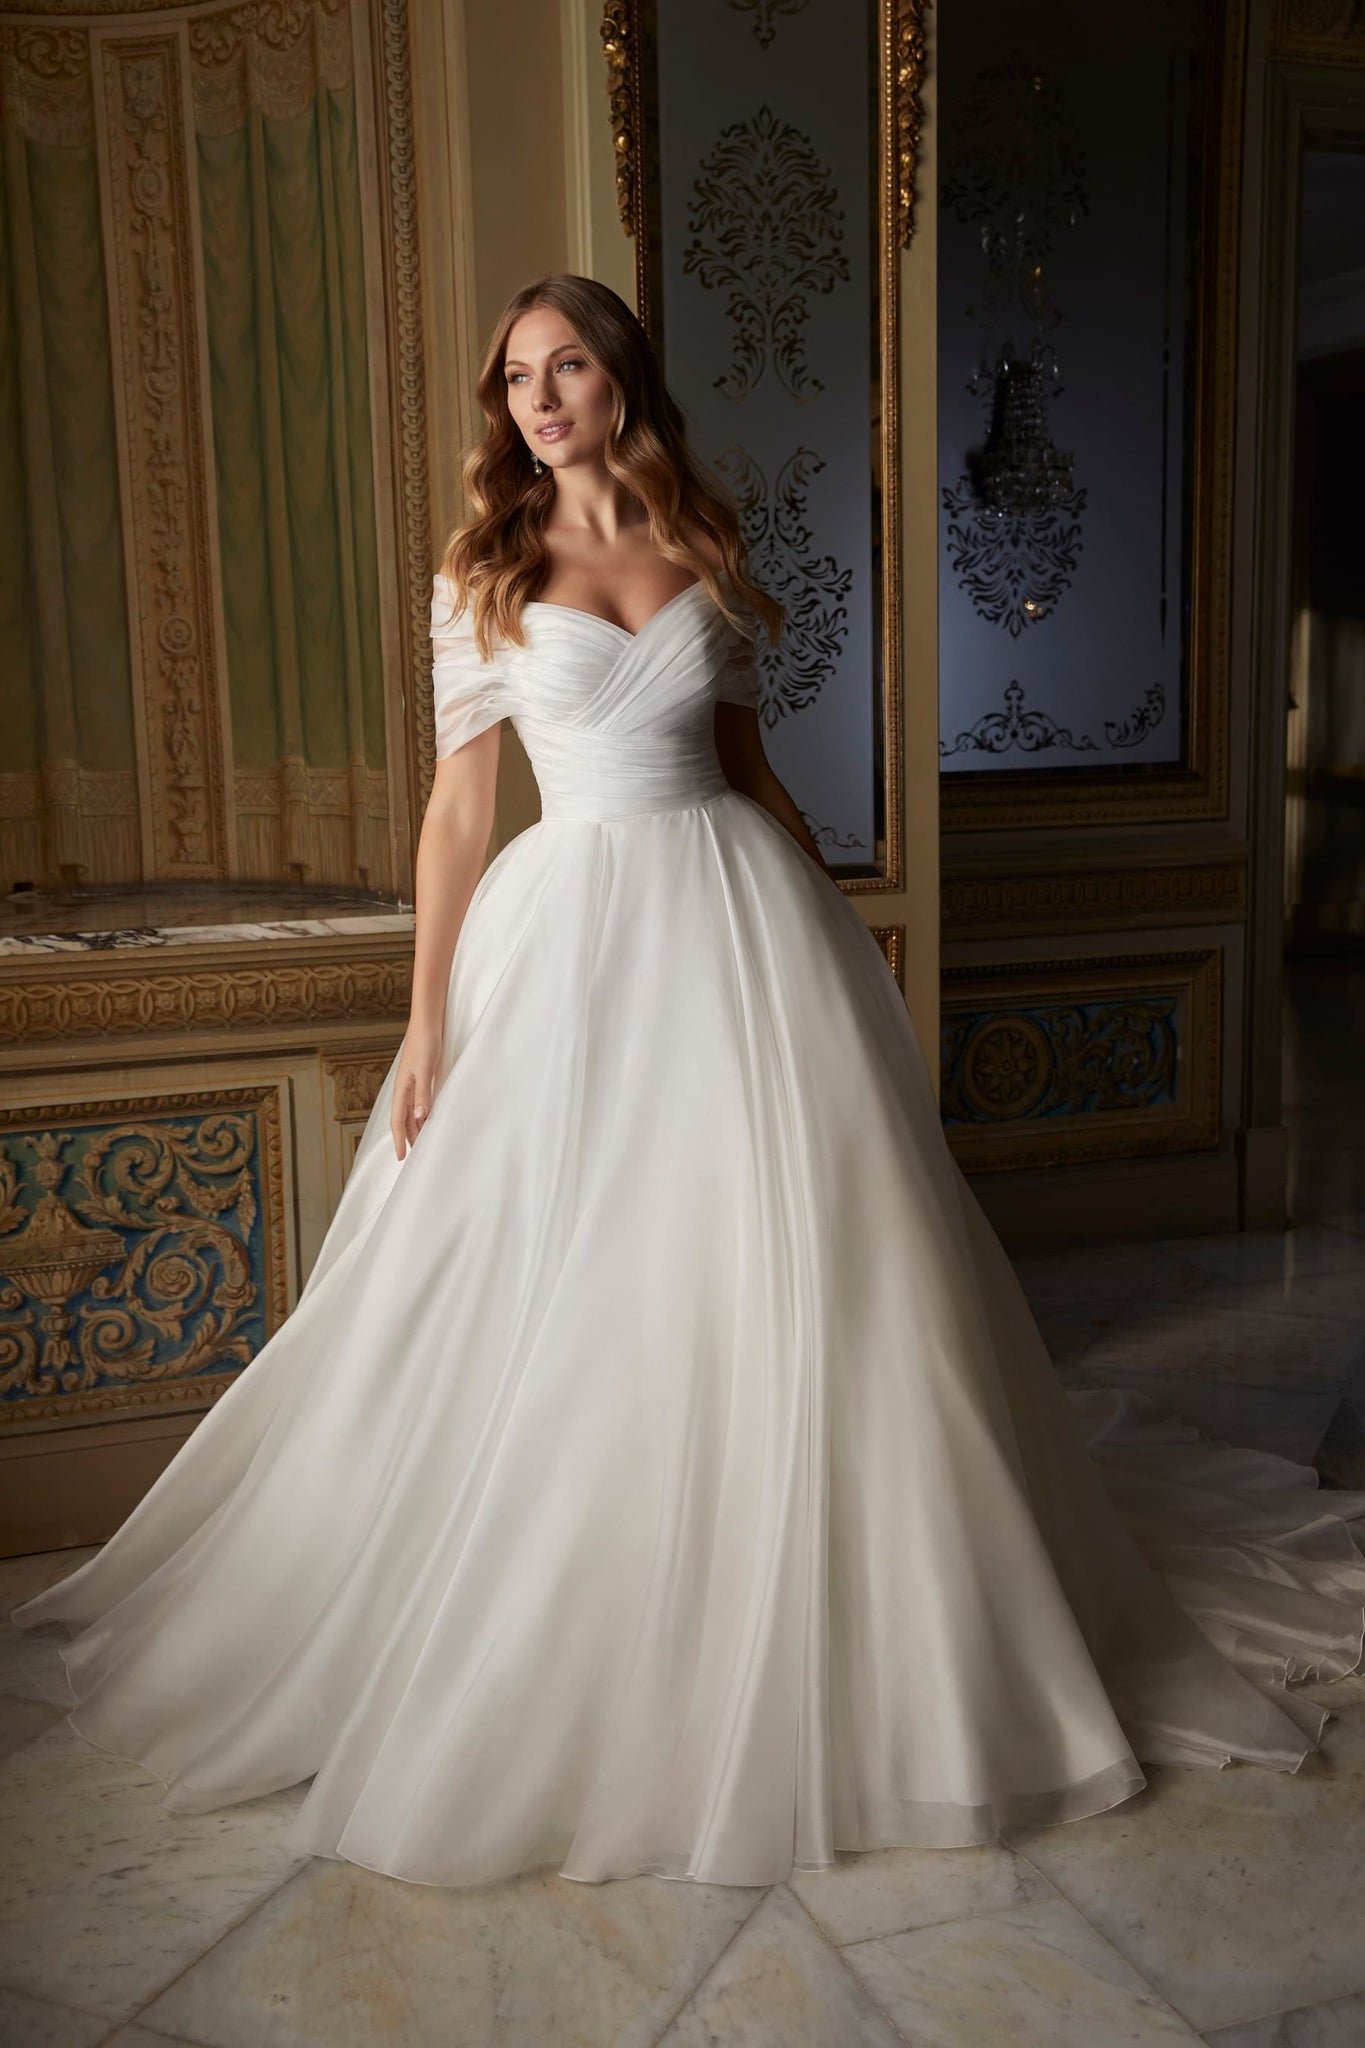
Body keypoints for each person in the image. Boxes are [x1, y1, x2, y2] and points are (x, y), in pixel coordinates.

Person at [13, 274, 1365, 1893]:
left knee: (790, 1276)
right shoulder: (482, 572)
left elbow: (746, 774)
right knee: (571, 1274)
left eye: (564, 363)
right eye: (513, 374)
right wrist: (426, 1017)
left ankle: (820, 1590)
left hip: (742, 929)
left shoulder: (703, 543)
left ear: (618, 375)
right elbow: (458, 815)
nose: (535, 395)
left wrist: (836, 926)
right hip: (567, 930)